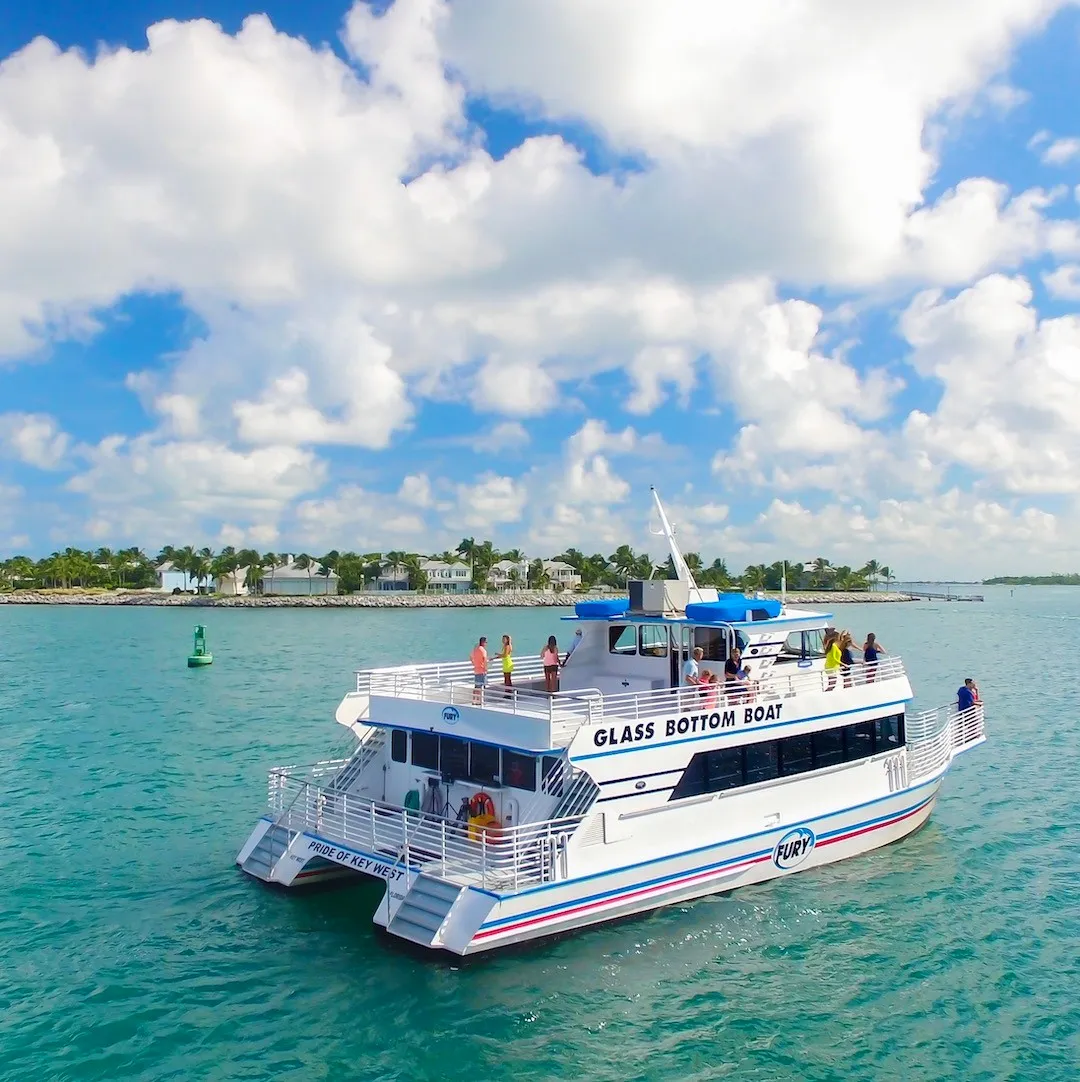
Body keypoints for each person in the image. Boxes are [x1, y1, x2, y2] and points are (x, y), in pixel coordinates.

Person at [470, 636, 488, 704]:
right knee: (481, 686)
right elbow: (485, 660)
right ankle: (480, 701)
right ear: (483, 642)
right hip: (482, 670)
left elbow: (471, 657)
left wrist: (474, 663)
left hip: (476, 669)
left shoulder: (475, 649)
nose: (486, 644)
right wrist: (486, 668)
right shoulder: (483, 650)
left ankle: (474, 700)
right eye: (486, 642)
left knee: (476, 686)